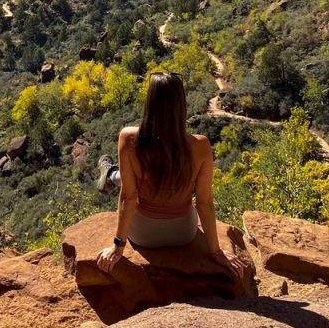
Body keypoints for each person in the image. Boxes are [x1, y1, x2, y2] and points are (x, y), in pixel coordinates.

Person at [95, 70, 243, 278]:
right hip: (182, 234)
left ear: (150, 102)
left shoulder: (128, 138)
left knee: (131, 179)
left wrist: (118, 247)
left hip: (142, 234)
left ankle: (110, 174)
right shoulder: (200, 146)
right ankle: (111, 174)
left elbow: (129, 197)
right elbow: (204, 203)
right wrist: (216, 252)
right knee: (148, 177)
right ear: (181, 104)